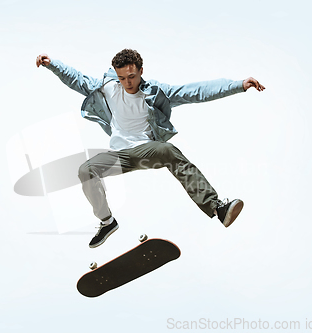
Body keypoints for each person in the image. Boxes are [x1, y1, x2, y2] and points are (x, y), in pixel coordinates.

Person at [36, 49, 265, 248]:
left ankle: (217, 208)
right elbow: (76, 79)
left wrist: (237, 86)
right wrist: (52, 64)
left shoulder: (156, 92)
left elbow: (195, 91)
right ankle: (107, 222)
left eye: (132, 76)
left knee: (167, 150)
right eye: (122, 78)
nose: (127, 83)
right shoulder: (106, 87)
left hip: (147, 151)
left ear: (141, 71)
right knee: (86, 170)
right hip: (119, 155)